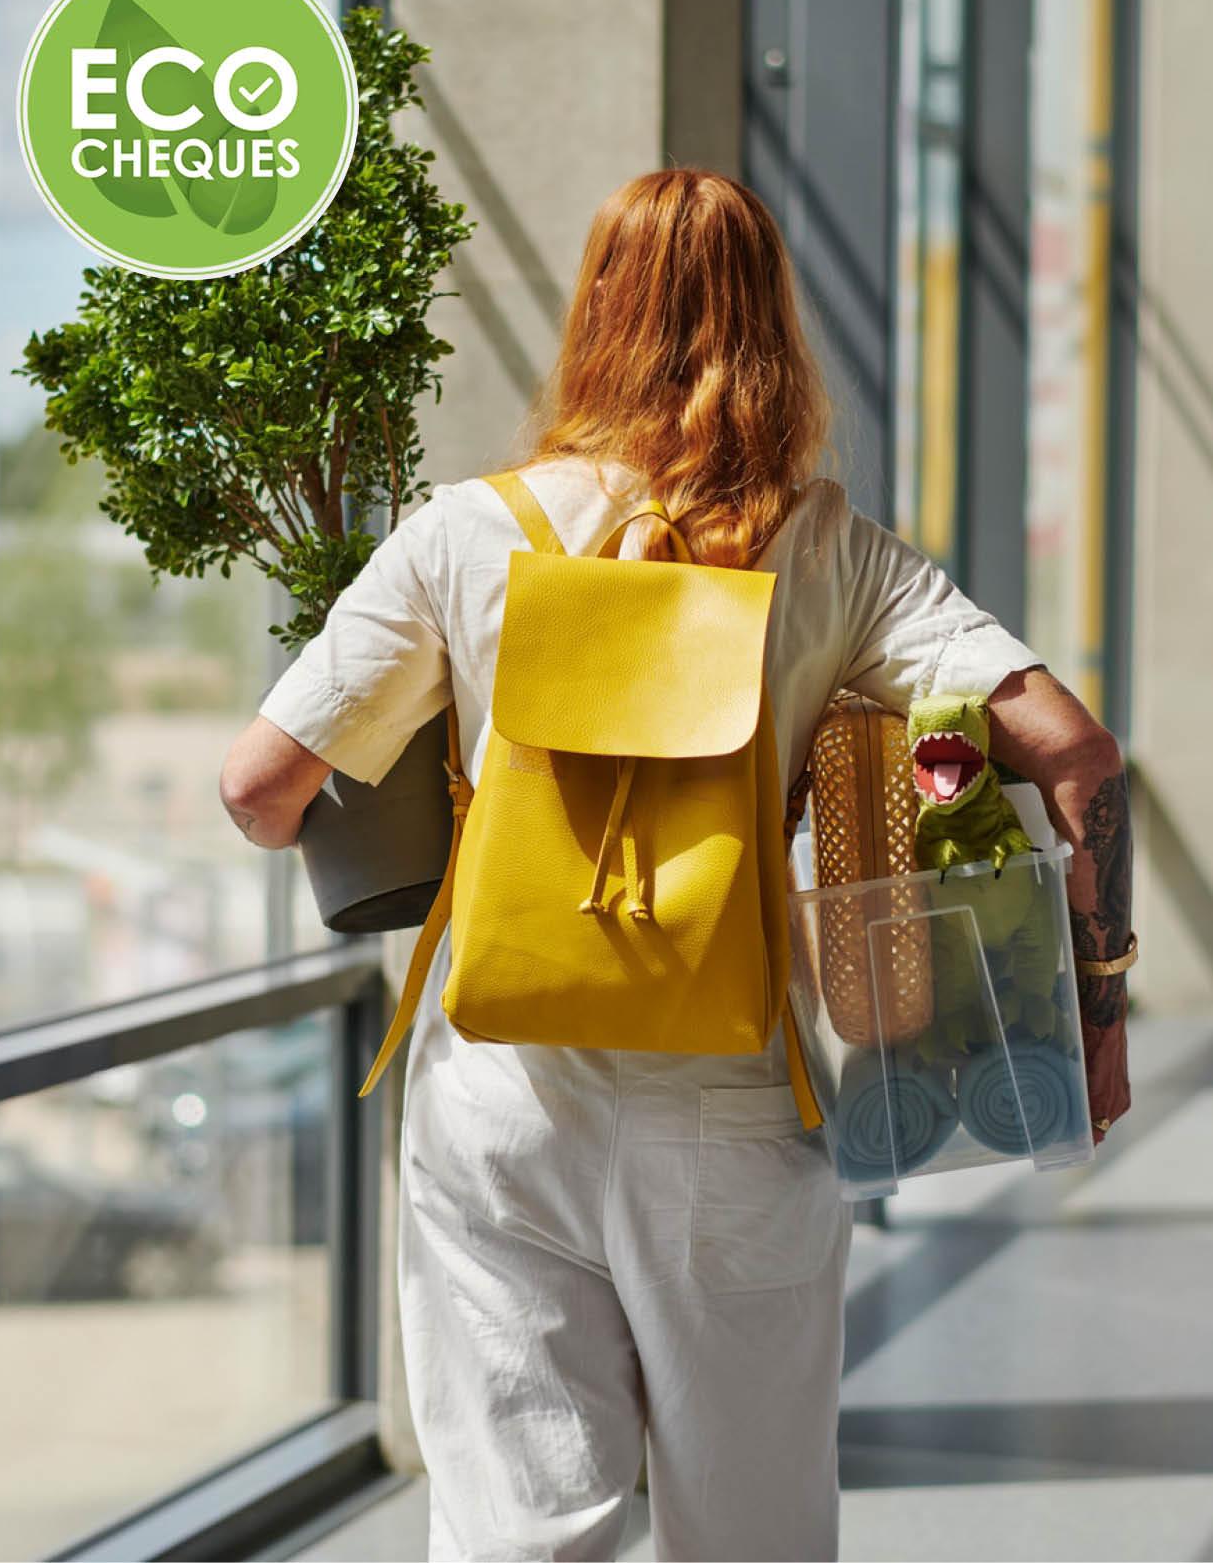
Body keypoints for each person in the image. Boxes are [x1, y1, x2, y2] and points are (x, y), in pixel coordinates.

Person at [220, 169, 1133, 1562]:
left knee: (519, 1533)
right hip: (733, 1107)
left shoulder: (468, 533)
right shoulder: (834, 554)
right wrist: (1101, 1014)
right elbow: (1074, 755)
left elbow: (259, 791)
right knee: (752, 1526)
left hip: (499, 1097)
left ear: (593, 314)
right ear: (773, 321)